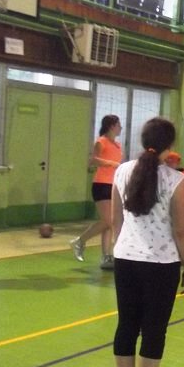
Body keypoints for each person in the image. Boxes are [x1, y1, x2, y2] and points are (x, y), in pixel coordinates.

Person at [111, 117, 184, 367]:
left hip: (125, 260)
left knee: (126, 325)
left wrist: (121, 249)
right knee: (154, 330)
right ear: (170, 146)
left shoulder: (122, 171)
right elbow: (181, 230)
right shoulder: (175, 179)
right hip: (161, 264)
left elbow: (116, 220)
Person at [70, 115, 122, 270]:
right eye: (118, 124)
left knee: (109, 223)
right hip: (101, 184)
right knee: (108, 221)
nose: (120, 127)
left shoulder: (118, 145)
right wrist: (111, 163)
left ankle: (106, 257)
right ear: (111, 126)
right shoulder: (101, 142)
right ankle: (80, 241)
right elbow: (93, 160)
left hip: (114, 185)